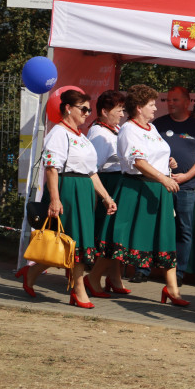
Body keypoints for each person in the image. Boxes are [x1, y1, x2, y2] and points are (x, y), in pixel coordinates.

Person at [17, 89, 117, 307]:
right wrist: (55, 199)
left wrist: (106, 198)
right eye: (83, 109)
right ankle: (79, 290)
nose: (87, 113)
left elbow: (92, 172)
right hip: (66, 190)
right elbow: (52, 168)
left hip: (83, 191)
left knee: (69, 241)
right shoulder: (58, 134)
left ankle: (31, 272)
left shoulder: (82, 137)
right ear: (67, 108)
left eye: (89, 110)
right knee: (71, 242)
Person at [95, 84, 188, 307]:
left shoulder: (151, 128)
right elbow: (138, 161)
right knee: (119, 240)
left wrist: (168, 163)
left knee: (165, 237)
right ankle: (92, 278)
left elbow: (154, 154)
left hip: (158, 190)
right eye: (151, 104)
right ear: (139, 107)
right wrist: (163, 177)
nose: (156, 108)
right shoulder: (129, 129)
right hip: (137, 189)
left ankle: (172, 289)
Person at [153, 87, 195, 282]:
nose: (170, 103)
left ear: (187, 102)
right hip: (161, 185)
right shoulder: (158, 125)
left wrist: (186, 177)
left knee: (183, 230)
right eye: (168, 100)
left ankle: (178, 273)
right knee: (155, 225)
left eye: (175, 100)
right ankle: (144, 270)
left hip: (185, 188)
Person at [85, 90, 130, 295]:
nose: (122, 114)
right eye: (119, 110)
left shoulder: (113, 129)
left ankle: (115, 278)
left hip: (117, 184)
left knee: (117, 235)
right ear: (104, 111)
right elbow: (92, 169)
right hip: (107, 187)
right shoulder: (99, 135)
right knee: (110, 235)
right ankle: (93, 279)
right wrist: (104, 197)